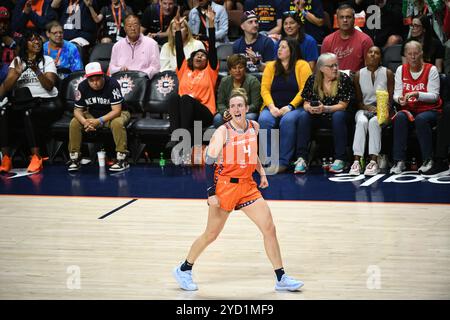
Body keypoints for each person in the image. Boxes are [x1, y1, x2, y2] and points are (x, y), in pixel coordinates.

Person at [172, 88, 304, 292]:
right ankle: (184, 269)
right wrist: (211, 193)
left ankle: (281, 277)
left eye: (240, 105)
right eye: (232, 106)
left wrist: (261, 173)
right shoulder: (223, 131)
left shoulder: (254, 126)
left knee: (269, 228)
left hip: (248, 186)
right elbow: (208, 162)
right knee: (211, 234)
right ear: (229, 110)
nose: (236, 108)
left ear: (246, 108)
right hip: (225, 186)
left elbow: (253, 153)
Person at [0, 30, 61, 173]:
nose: (37, 42)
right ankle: (6, 158)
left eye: (38, 39)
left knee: (28, 112)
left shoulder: (47, 60)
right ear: (25, 44)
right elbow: (7, 87)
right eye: (32, 40)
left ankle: (36, 157)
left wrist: (36, 70)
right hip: (22, 102)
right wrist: (17, 73)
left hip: (47, 102)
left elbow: (49, 85)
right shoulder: (17, 61)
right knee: (3, 112)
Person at [258, 38, 312, 173]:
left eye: (283, 47)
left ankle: (283, 162)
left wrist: (290, 106)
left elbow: (305, 89)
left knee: (287, 121)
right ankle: (268, 160)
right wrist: (271, 107)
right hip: (273, 106)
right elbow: (264, 89)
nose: (279, 49)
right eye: (279, 47)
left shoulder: (302, 65)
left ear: (292, 50)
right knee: (264, 120)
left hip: (295, 107)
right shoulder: (271, 66)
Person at [168, 6, 218, 152]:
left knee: (185, 99)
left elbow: (213, 48)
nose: (200, 56)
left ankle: (182, 137)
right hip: (186, 110)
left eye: (203, 55)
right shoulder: (184, 68)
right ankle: (175, 136)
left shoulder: (210, 71)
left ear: (208, 61)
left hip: (205, 112)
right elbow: (179, 49)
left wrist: (211, 24)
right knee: (173, 98)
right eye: (197, 54)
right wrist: (177, 30)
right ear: (191, 58)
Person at [295, 52, 355, 174]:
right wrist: (310, 109)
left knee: (338, 116)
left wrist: (325, 108)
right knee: (303, 115)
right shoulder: (312, 80)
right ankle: (301, 159)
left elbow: (343, 106)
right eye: (331, 66)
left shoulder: (344, 79)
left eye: (336, 65)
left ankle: (340, 159)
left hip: (340, 116)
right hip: (319, 116)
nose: (335, 68)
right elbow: (306, 103)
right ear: (321, 68)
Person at [67, 61, 131, 172]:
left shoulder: (112, 84)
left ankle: (122, 159)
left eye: (97, 79)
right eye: (91, 80)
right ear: (87, 79)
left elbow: (117, 111)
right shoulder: (82, 86)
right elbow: (77, 110)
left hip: (116, 113)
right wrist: (85, 122)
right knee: (74, 122)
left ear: (103, 76)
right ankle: (75, 157)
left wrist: (99, 121)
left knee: (117, 123)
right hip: (93, 114)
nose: (95, 83)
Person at [390, 40, 442, 174]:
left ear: (421, 54)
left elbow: (434, 96)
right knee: (400, 117)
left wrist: (417, 94)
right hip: (409, 109)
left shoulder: (431, 69)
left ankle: (428, 160)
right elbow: (396, 94)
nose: (413, 57)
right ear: (405, 56)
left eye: (416, 53)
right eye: (409, 54)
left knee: (421, 119)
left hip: (431, 110)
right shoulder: (401, 70)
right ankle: (399, 161)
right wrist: (399, 99)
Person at [348, 46, 394, 176]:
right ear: (365, 56)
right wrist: (368, 108)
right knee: (362, 121)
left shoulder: (388, 73)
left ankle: (373, 161)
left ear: (381, 58)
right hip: (364, 108)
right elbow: (358, 102)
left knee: (374, 122)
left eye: (377, 53)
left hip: (383, 109)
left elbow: (391, 100)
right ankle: (357, 161)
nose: (373, 55)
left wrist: (381, 110)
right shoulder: (358, 74)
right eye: (370, 52)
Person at [320, 4, 374, 73]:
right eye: (341, 17)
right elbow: (324, 69)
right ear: (337, 20)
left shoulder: (365, 40)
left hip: (357, 81)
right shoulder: (328, 41)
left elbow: (371, 70)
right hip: (334, 81)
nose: (345, 20)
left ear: (354, 19)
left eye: (348, 17)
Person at [214, 53, 262, 127]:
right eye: (234, 68)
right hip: (230, 111)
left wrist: (238, 111)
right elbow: (220, 103)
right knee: (218, 119)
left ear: (245, 68)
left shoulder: (253, 81)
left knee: (249, 118)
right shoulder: (224, 81)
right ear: (230, 70)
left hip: (247, 112)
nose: (237, 70)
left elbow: (256, 105)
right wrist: (225, 112)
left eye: (240, 67)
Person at [109, 14, 160, 79]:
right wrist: (120, 69)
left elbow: (156, 67)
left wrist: (142, 75)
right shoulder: (117, 46)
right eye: (129, 26)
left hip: (144, 82)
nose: (133, 28)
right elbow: (111, 68)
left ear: (140, 26)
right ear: (124, 28)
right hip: (123, 81)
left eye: (135, 25)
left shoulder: (152, 44)